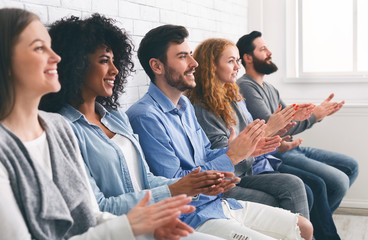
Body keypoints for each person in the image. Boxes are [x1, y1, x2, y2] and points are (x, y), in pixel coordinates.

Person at [0, 8, 199, 240]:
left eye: (51, 47)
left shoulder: (56, 127)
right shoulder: (50, 132)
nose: (55, 58)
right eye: (38, 47)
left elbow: (87, 213)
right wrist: (131, 225)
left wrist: (147, 226)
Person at [39, 14, 230, 240]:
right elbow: (97, 207)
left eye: (114, 61)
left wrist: (193, 186)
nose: (115, 70)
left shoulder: (116, 118)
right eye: (104, 61)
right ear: (76, 65)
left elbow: (145, 180)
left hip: (155, 225)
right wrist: (174, 190)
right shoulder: (64, 129)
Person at [126, 24, 313, 240]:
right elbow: (175, 185)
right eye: (182, 57)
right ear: (157, 66)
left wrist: (242, 151)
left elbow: (205, 154)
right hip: (193, 216)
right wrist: (232, 156)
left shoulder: (184, 105)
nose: (194, 63)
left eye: (191, 56)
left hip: (218, 202)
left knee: (304, 227)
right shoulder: (145, 117)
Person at [236, 30, 360, 240]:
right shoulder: (245, 87)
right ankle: (321, 228)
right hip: (278, 153)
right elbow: (275, 125)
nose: (269, 52)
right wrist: (314, 116)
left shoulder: (270, 88)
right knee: (336, 182)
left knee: (351, 166)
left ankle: (318, 223)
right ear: (247, 57)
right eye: (263, 49)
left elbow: (291, 121)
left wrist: (315, 113)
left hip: (293, 147)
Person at [185, 38, 311, 219]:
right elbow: (227, 158)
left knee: (300, 186)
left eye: (237, 61)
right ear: (211, 66)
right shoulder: (202, 107)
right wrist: (268, 129)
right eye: (231, 61)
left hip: (250, 169)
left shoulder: (233, 96)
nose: (238, 66)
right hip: (230, 178)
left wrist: (273, 137)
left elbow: (251, 141)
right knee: (291, 188)